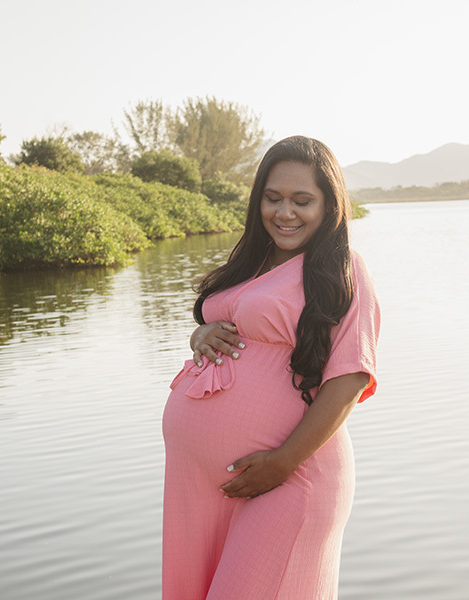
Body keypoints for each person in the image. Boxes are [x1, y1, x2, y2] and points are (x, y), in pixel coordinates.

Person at [162, 135, 380, 599]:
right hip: (203, 482)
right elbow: (224, 322)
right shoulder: (251, 261)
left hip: (291, 475)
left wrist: (282, 463)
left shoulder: (344, 270)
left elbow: (350, 377)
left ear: (329, 205)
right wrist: (200, 335)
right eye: (273, 198)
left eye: (302, 201)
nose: (285, 213)